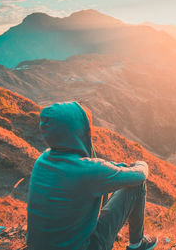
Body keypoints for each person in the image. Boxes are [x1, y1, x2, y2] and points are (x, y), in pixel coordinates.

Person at [27, 101, 157, 250]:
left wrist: (118, 167)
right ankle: (138, 244)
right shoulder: (88, 171)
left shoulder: (42, 160)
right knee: (137, 185)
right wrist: (141, 164)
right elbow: (139, 176)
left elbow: (98, 170)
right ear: (77, 131)